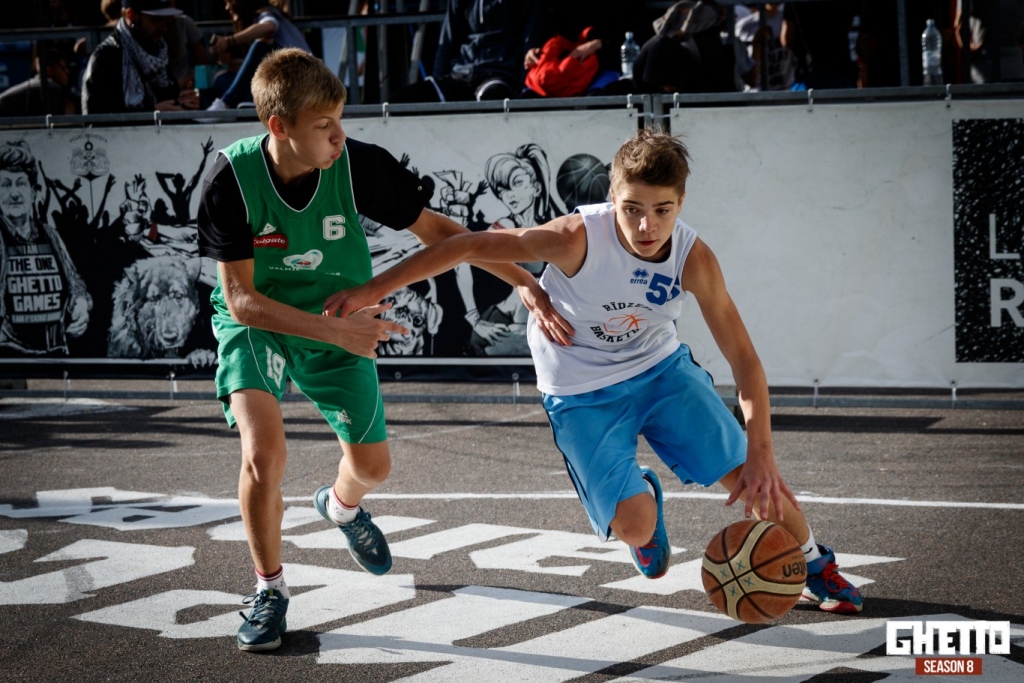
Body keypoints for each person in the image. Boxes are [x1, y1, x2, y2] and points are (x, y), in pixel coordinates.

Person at [326, 128, 864, 616]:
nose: (647, 225)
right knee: (634, 526)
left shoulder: (693, 258)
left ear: (681, 204)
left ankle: (817, 565)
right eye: (632, 208)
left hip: (659, 370)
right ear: (612, 198)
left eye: (662, 209)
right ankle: (643, 507)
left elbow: (744, 360)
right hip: (579, 387)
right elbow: (465, 245)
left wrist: (762, 456)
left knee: (759, 484)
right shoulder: (573, 237)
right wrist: (372, 290)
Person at [195, 47, 568, 652]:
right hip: (259, 324)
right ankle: (269, 589)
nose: (339, 137)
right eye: (323, 126)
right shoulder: (228, 181)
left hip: (338, 317)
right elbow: (239, 300)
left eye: (340, 121)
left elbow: (447, 235)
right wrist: (339, 332)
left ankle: (341, 508)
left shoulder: (359, 167)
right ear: (278, 128)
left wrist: (525, 283)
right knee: (264, 455)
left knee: (372, 468)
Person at [0, 141, 91, 355]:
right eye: (5, 184)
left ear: (33, 192)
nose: (14, 193)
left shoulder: (50, 234)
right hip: (10, 356)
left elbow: (75, 283)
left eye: (20, 183)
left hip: (54, 354)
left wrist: (81, 305)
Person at [81, 0, 200, 114]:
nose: (164, 27)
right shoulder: (105, 58)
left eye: (166, 21)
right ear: (131, 15)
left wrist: (184, 103)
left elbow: (168, 103)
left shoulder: (159, 53)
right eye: (155, 20)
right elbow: (95, 120)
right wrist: (151, 114)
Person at [206, 0, 310, 110]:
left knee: (262, 42)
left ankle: (227, 103)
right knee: (220, 77)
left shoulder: (267, 14)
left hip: (299, 84)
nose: (227, 8)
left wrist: (230, 41)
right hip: (279, 83)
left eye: (229, 3)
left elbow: (269, 26)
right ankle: (250, 100)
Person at [0, 49, 76, 117]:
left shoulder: (38, 85)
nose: (67, 71)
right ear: (48, 69)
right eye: (63, 68)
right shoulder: (51, 88)